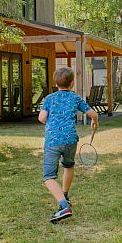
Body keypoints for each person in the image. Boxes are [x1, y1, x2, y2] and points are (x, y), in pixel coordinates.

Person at [39, 67, 99, 223]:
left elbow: (41, 118)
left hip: (53, 141)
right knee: (68, 166)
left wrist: (51, 122)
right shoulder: (75, 98)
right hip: (70, 140)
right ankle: (64, 194)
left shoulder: (49, 99)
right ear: (72, 83)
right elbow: (93, 114)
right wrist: (94, 122)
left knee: (48, 177)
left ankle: (64, 205)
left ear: (56, 83)